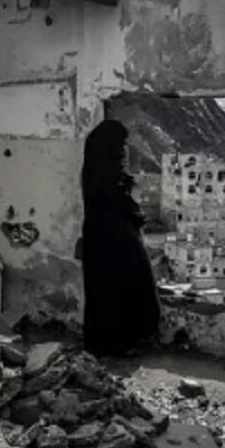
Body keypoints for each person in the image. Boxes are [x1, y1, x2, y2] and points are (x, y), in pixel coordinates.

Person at [81, 119, 160, 356]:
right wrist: (135, 214)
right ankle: (118, 343)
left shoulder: (97, 170)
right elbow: (116, 202)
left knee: (109, 290)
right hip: (112, 240)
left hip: (104, 239)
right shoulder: (105, 175)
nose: (124, 149)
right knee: (118, 290)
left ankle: (112, 343)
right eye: (120, 143)